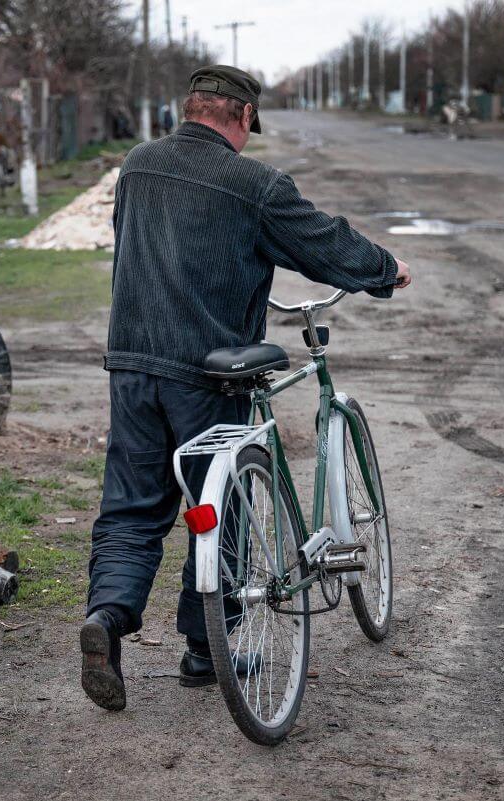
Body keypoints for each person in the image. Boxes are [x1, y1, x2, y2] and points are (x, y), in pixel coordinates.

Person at [80, 65, 412, 711]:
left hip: (131, 364)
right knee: (224, 507)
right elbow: (321, 242)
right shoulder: (253, 183)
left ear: (190, 108)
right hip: (206, 373)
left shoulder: (139, 165)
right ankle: (206, 652)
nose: (248, 141)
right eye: (248, 130)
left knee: (130, 508)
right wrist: (384, 270)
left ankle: (108, 620)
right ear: (238, 117)